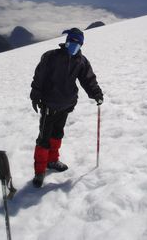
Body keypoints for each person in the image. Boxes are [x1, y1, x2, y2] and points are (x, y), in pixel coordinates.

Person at [30, 28, 103, 187]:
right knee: (44, 139)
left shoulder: (81, 61)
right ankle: (40, 171)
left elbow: (88, 80)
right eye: (72, 41)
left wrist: (96, 93)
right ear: (66, 41)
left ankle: (53, 161)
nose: (74, 45)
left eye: (77, 43)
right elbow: (39, 76)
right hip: (49, 105)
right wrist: (35, 95)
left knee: (57, 134)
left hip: (66, 105)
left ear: (81, 44)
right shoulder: (51, 57)